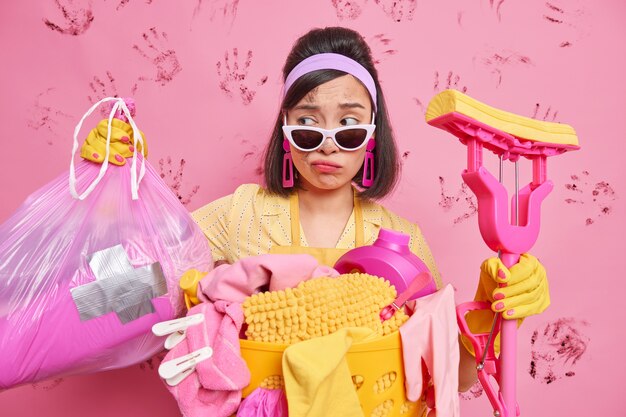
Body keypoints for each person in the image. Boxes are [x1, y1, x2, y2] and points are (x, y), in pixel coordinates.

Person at [82, 26, 550, 394]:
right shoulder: (239, 215)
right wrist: (107, 185)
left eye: (347, 125)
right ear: (285, 129)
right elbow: (118, 291)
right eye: (307, 123)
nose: (327, 144)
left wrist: (495, 307)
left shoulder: (402, 240)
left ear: (371, 135)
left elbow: (451, 378)